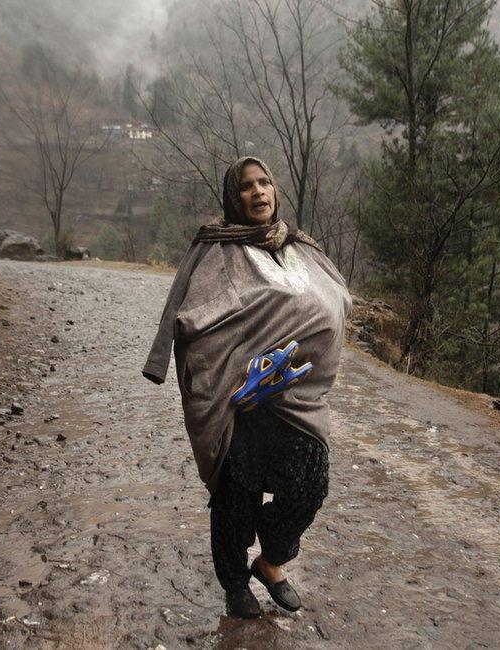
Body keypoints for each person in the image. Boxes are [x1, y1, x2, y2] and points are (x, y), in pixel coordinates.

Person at [142, 156, 352, 619]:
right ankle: (235, 584)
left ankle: (271, 560)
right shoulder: (217, 250)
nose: (258, 193)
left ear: (276, 190)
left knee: (311, 485)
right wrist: (232, 372)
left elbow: (338, 298)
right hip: (235, 402)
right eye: (246, 187)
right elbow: (193, 318)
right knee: (236, 494)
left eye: (265, 183)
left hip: (296, 399)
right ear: (232, 198)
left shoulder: (302, 248)